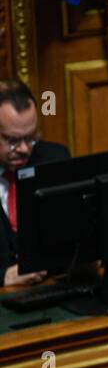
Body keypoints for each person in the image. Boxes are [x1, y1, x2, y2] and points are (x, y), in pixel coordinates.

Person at [0, 79, 70, 287]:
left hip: (51, 287)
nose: (24, 149)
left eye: (31, 138)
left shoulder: (54, 159)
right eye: (12, 140)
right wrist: (3, 276)